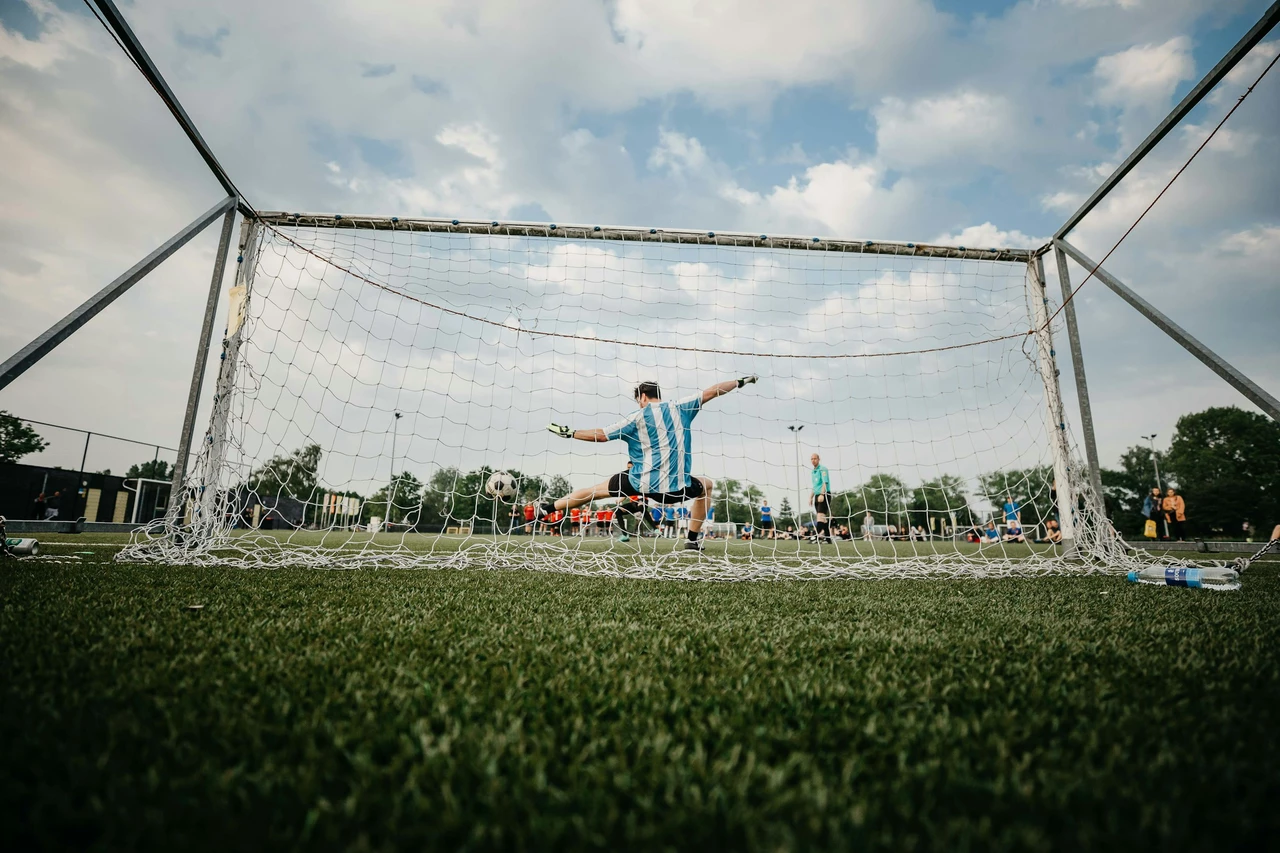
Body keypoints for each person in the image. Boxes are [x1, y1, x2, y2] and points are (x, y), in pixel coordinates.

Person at [540, 375, 758, 552]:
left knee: (594, 491)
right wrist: (741, 382)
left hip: (639, 484)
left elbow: (601, 435)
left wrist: (572, 433)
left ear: (642, 397)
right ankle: (691, 540)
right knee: (707, 485)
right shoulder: (682, 406)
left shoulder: (635, 417)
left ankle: (547, 509)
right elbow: (713, 390)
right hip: (676, 490)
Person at [810, 453, 834, 544]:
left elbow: (825, 483)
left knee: (820, 516)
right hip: (817, 495)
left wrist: (822, 494)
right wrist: (810, 497)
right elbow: (815, 486)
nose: (813, 460)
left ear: (819, 459)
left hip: (824, 494)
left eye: (815, 458)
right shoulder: (813, 471)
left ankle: (815, 537)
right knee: (823, 519)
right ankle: (828, 539)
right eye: (811, 459)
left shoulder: (823, 469)